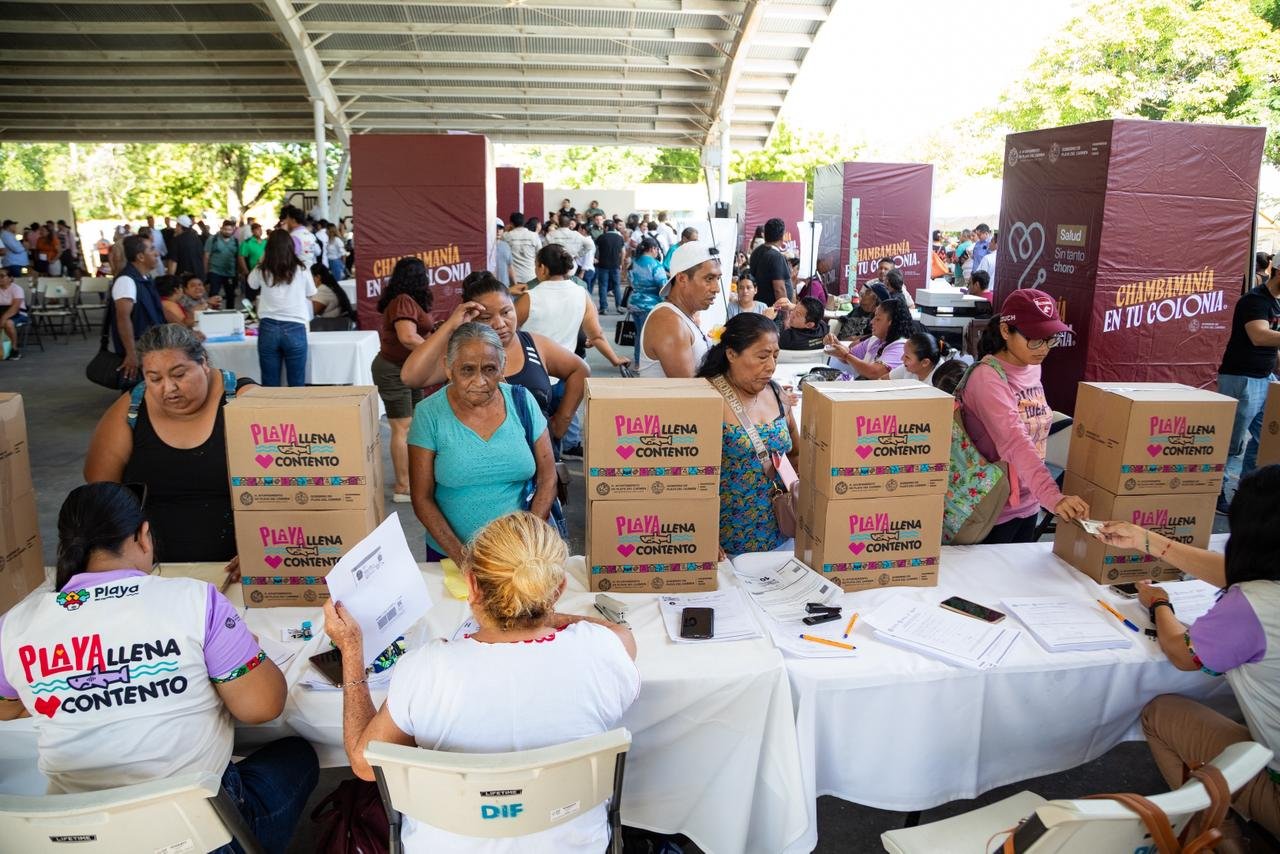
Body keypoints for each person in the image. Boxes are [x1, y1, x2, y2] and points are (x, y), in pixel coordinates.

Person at [0, 482, 317, 851]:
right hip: (196, 835)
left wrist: (73, 687)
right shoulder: (193, 600)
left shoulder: (17, 623)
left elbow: (7, 708)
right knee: (297, 755)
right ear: (143, 535)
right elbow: (262, 708)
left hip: (81, 837)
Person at [323, 511, 638, 852]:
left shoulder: (425, 668)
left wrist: (351, 650)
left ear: (472, 585)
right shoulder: (601, 651)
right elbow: (621, 632)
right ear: (558, 588)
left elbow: (364, 764)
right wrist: (544, 612)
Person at [1094, 465, 1280, 841]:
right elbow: (1236, 571)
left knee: (1160, 713)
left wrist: (1160, 604)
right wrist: (1147, 540)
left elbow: (1183, 654)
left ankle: (1213, 841)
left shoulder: (1255, 605)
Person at [85, 323, 256, 563]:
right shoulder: (132, 408)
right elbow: (101, 487)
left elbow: (287, 485)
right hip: (152, 567)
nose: (169, 388)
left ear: (204, 363)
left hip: (239, 566)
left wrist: (261, 548)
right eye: (154, 379)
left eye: (179, 374)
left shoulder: (244, 399)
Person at [408, 324, 557, 563]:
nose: (480, 381)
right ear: (448, 367)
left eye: (490, 369)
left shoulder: (522, 401)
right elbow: (421, 498)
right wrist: (462, 558)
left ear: (502, 365)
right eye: (467, 370)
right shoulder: (429, 413)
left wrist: (530, 540)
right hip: (450, 554)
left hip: (520, 555)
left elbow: (548, 478)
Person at [958, 289, 1089, 542]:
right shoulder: (987, 379)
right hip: (991, 511)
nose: (1044, 348)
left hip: (1028, 504)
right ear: (1006, 331)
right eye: (1035, 338)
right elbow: (1015, 440)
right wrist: (1054, 496)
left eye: (1051, 338)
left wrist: (1042, 495)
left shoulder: (1033, 366)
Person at [401, 271, 589, 445]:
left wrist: (560, 423)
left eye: (506, 312)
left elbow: (580, 369)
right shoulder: (459, 354)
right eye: (485, 317)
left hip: (540, 459)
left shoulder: (536, 345)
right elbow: (411, 377)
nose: (499, 324)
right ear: (470, 318)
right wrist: (450, 326)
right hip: (478, 462)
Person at [697, 313, 800, 555]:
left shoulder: (776, 394)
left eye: (775, 356)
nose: (771, 366)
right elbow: (686, 479)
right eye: (762, 357)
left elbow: (796, 454)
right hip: (726, 544)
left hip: (782, 535)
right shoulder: (707, 398)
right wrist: (699, 535)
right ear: (731, 354)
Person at [518, 244, 629, 454]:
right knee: (556, 434)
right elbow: (596, 335)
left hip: (531, 379)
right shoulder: (581, 294)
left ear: (542, 268)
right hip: (566, 377)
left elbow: (506, 333)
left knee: (529, 437)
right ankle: (557, 471)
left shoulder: (529, 298)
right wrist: (615, 359)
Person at [372, 258, 438, 503]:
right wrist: (436, 351)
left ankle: (410, 479)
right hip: (392, 370)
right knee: (402, 427)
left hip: (407, 368)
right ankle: (402, 487)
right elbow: (408, 338)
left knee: (412, 426)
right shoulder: (403, 302)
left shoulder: (407, 302)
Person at [1216, 262, 1280, 512]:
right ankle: (1217, 491)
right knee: (1231, 442)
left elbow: (1271, 345)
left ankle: (1248, 493)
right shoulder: (1254, 301)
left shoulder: (1274, 303)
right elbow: (1259, 336)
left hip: (1264, 378)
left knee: (1266, 438)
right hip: (1241, 378)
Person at [636, 241, 721, 379]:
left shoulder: (682, 315)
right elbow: (689, 390)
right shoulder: (669, 321)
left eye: (718, 279)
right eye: (709, 278)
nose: (716, 288)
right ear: (682, 279)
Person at [249, 229, 315, 387]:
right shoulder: (301, 269)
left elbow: (251, 284)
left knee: (270, 384)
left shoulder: (262, 269)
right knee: (297, 383)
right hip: (295, 327)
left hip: (268, 327)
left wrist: (261, 260)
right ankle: (298, 413)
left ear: (268, 248)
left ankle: (272, 413)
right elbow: (311, 293)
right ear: (291, 247)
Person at [111, 234, 165, 386]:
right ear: (141, 256)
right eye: (152, 249)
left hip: (150, 346)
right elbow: (122, 318)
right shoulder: (126, 281)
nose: (157, 253)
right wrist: (131, 352)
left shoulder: (144, 278)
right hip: (138, 349)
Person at [824, 296, 914, 379]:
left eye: (878, 319)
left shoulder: (901, 347)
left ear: (891, 323)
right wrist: (835, 344)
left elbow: (874, 372)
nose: (872, 322)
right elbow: (851, 357)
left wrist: (845, 355)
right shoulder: (875, 340)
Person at [626, 236, 668, 361]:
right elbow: (664, 286)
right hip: (651, 305)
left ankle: (638, 361)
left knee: (640, 335)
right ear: (653, 249)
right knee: (649, 336)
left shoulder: (634, 262)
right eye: (657, 250)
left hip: (634, 303)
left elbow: (630, 282)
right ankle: (645, 363)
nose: (657, 252)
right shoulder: (655, 265)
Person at [749, 217, 793, 305]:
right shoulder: (776, 256)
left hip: (759, 305)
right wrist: (785, 315)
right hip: (773, 311)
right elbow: (779, 289)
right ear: (782, 236)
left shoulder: (756, 252)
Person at [886, 332, 953, 383]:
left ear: (925, 362)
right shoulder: (907, 368)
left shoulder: (940, 381)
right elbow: (883, 380)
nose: (902, 358)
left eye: (907, 357)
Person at [203, 219, 240, 304]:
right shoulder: (213, 239)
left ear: (233, 230)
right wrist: (206, 272)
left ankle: (230, 315)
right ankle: (213, 313)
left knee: (230, 296)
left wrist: (239, 272)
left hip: (230, 272)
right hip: (215, 271)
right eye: (225, 229)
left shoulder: (235, 241)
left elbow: (238, 257)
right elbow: (206, 256)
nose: (227, 232)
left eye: (230, 230)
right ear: (222, 229)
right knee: (214, 295)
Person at [594, 219, 625, 313]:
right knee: (616, 286)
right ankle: (619, 306)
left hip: (603, 265)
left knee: (603, 286)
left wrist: (596, 259)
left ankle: (604, 308)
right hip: (615, 265)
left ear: (606, 227)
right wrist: (621, 263)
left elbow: (596, 251)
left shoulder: (601, 237)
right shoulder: (620, 238)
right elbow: (623, 252)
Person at [503, 212, 542, 285]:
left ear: (511, 224)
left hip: (514, 278)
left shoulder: (506, 236)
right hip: (531, 276)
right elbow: (540, 254)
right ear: (524, 222)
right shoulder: (534, 236)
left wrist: (506, 230)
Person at [236, 221, 267, 293]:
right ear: (252, 231)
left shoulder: (265, 242)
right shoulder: (247, 243)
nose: (260, 231)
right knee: (251, 292)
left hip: (264, 271)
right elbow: (241, 257)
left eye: (260, 229)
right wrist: (245, 270)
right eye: (257, 229)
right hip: (252, 271)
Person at [493, 220, 515, 287]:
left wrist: (515, 283)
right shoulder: (485, 247)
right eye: (495, 228)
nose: (498, 231)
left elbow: (510, 266)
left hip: (504, 286)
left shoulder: (506, 245)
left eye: (500, 228)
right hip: (489, 287)